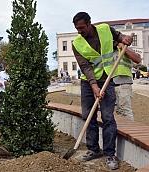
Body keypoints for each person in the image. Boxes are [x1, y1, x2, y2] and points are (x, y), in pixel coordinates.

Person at [72, 12, 132, 170]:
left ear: (90, 23)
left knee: (108, 117)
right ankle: (93, 149)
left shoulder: (105, 29)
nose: (79, 31)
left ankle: (109, 153)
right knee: (88, 115)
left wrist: (125, 38)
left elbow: (119, 37)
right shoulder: (76, 43)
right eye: (77, 28)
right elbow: (85, 66)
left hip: (107, 79)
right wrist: (94, 86)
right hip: (88, 82)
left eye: (82, 27)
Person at [113, 42, 141, 120]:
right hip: (108, 84)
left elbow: (138, 59)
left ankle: (129, 129)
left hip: (123, 83)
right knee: (107, 111)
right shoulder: (106, 50)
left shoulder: (126, 48)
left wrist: (124, 49)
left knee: (124, 111)